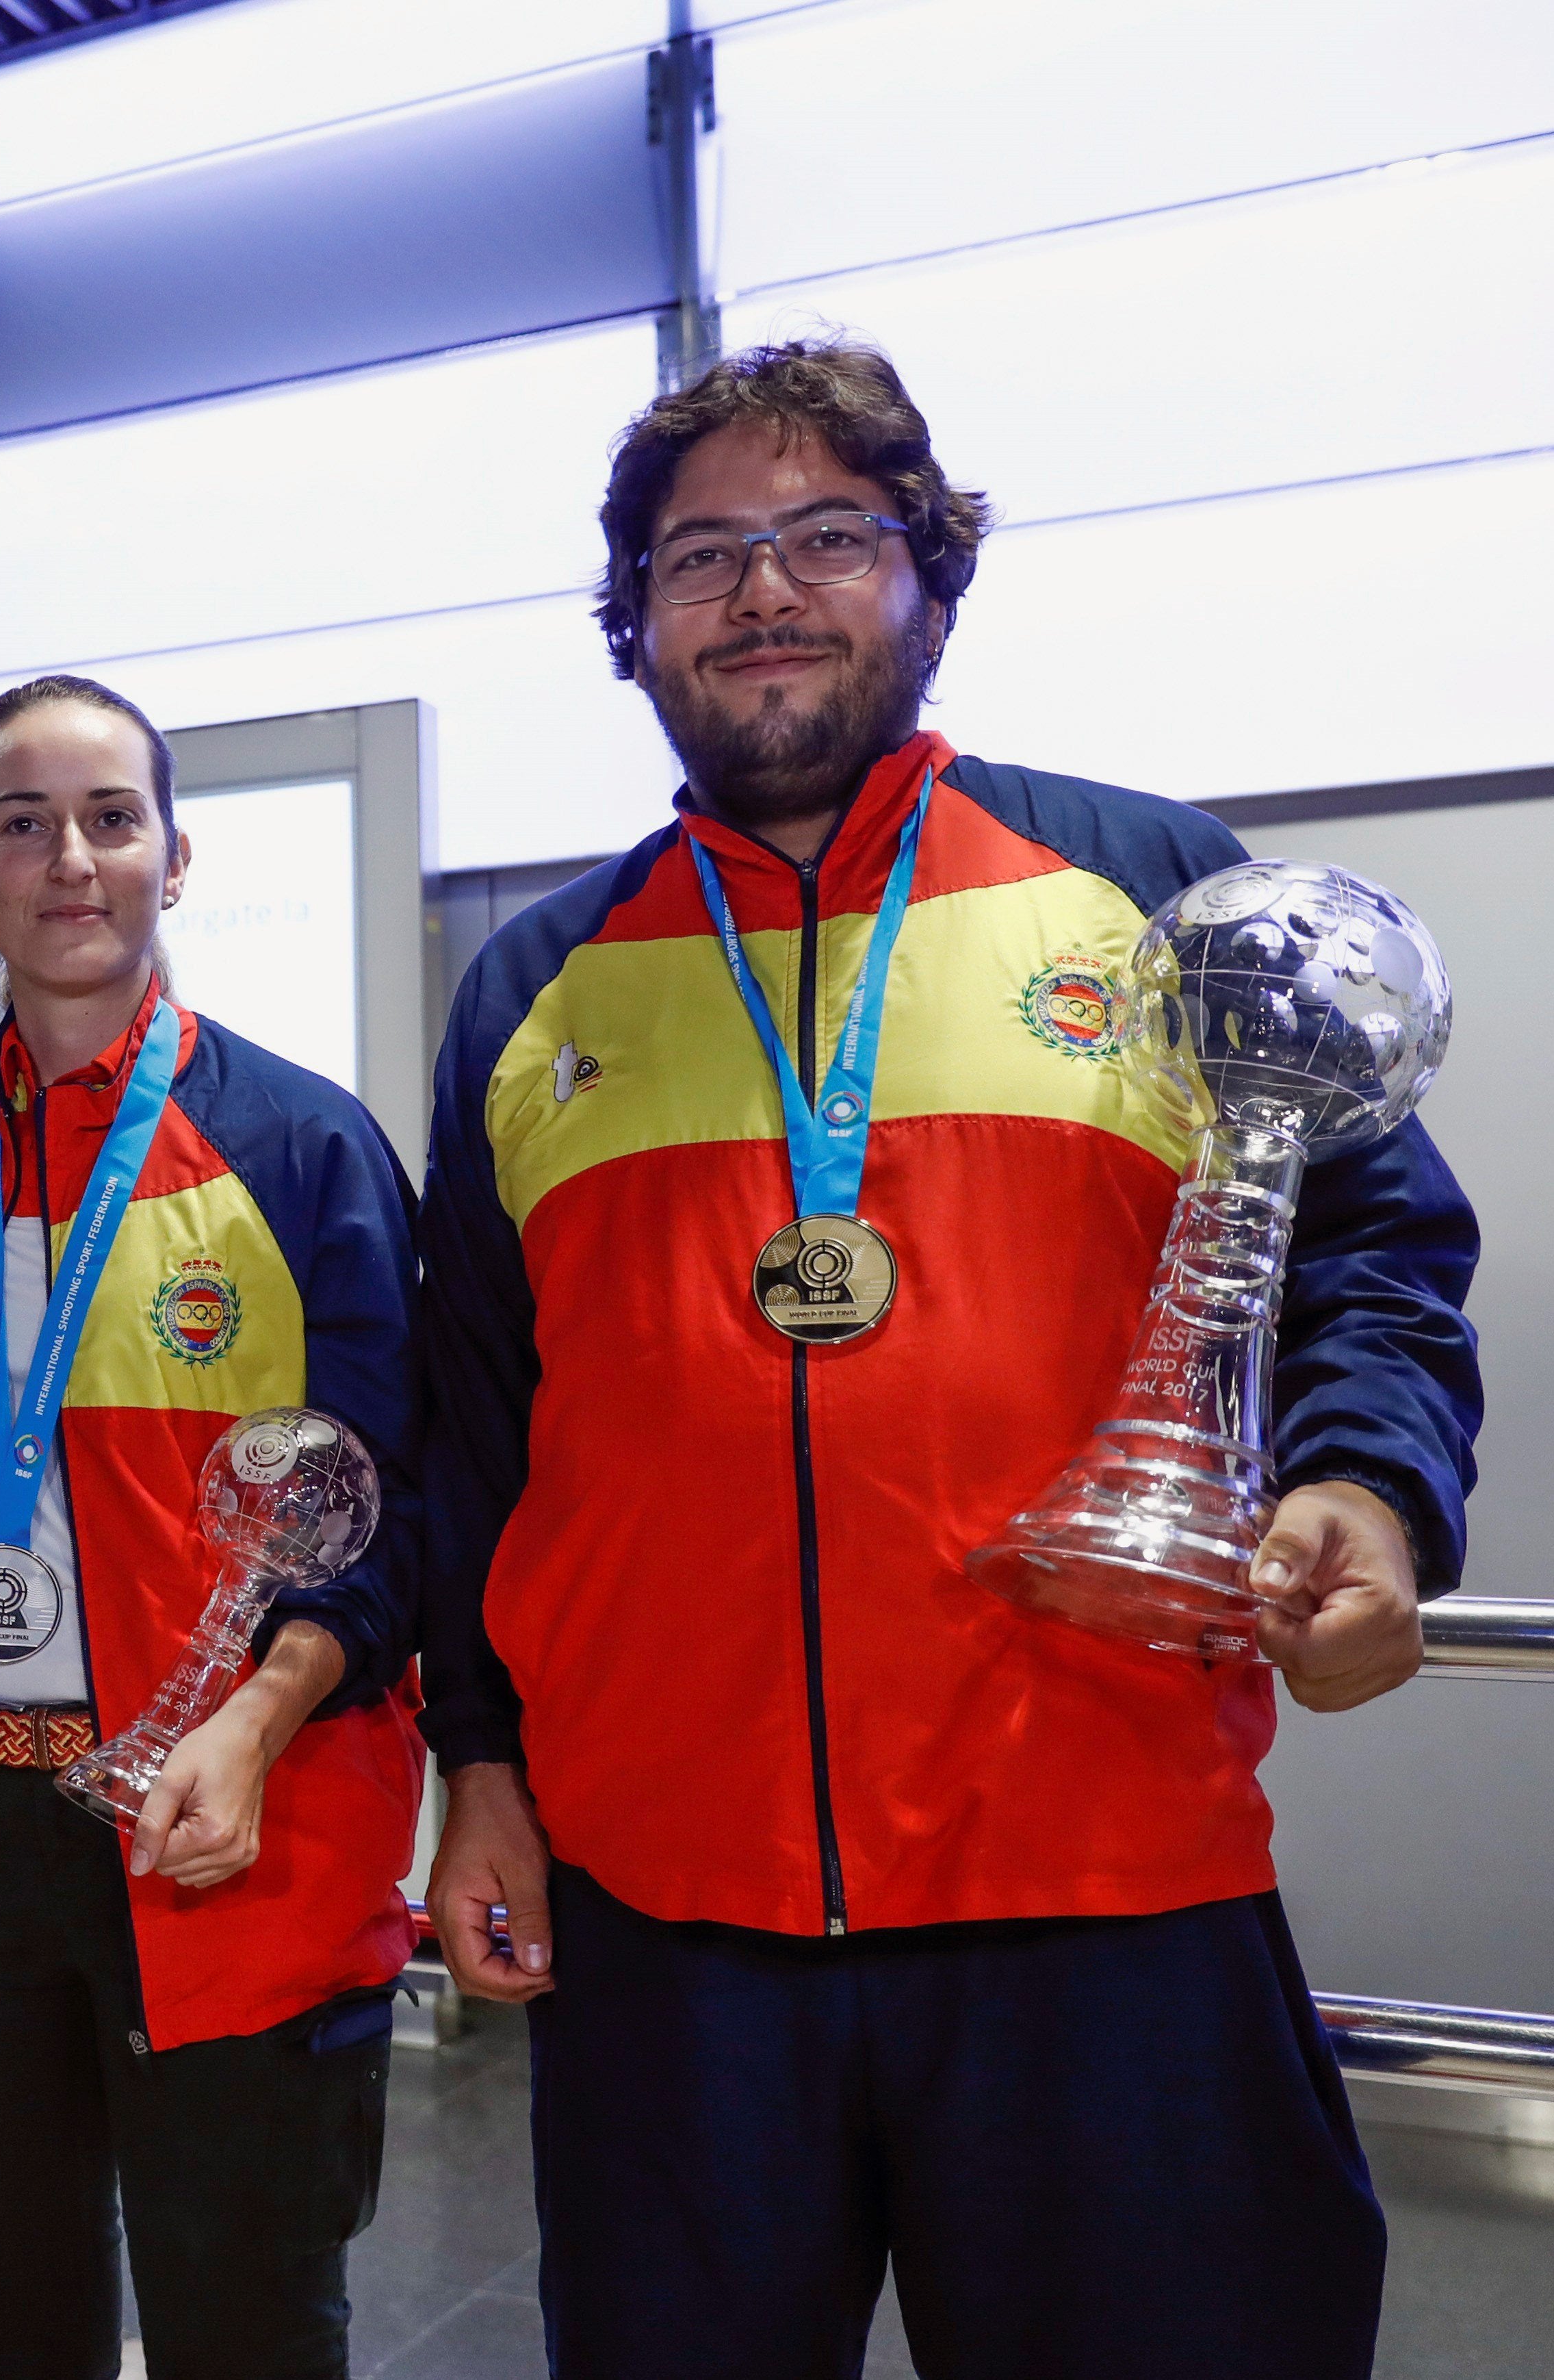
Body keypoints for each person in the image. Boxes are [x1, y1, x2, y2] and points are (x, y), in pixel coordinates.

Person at [417, 340, 1481, 2379]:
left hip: (1099, 1888)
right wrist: (478, 1760)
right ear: (629, 622)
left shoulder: (1152, 886)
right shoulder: (533, 986)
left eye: (824, 533)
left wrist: (1364, 1480)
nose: (758, 587)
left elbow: (1363, 1246)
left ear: (928, 573)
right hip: (671, 1925)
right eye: (697, 551)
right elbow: (476, 1424)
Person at [0, 674, 426, 2378]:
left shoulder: (305, 1144)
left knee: (248, 2330)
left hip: (231, 1817)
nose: (69, 859)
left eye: (108, 819)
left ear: (175, 854)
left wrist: (259, 1713)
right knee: (5, 2335)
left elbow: (400, 1502)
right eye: (24, 824)